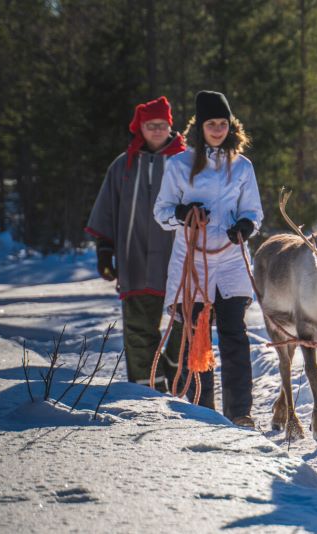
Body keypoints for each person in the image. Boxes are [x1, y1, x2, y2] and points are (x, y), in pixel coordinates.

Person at [154, 90, 263, 427]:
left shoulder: (242, 166)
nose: (217, 129)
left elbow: (254, 212)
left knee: (234, 335)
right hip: (193, 260)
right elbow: (161, 212)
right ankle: (203, 411)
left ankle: (239, 412)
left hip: (230, 259)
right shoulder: (179, 165)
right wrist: (183, 212)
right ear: (199, 126)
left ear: (231, 127)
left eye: (223, 123)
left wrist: (245, 226)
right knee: (194, 334)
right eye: (211, 123)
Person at [86, 96, 186, 392]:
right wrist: (105, 250)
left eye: (162, 124)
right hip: (135, 260)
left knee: (186, 324)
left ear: (170, 125)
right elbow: (107, 208)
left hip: (178, 262)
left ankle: (175, 371)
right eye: (150, 125)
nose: (157, 130)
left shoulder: (186, 163)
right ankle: (147, 392)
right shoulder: (123, 166)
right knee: (139, 330)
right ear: (139, 128)